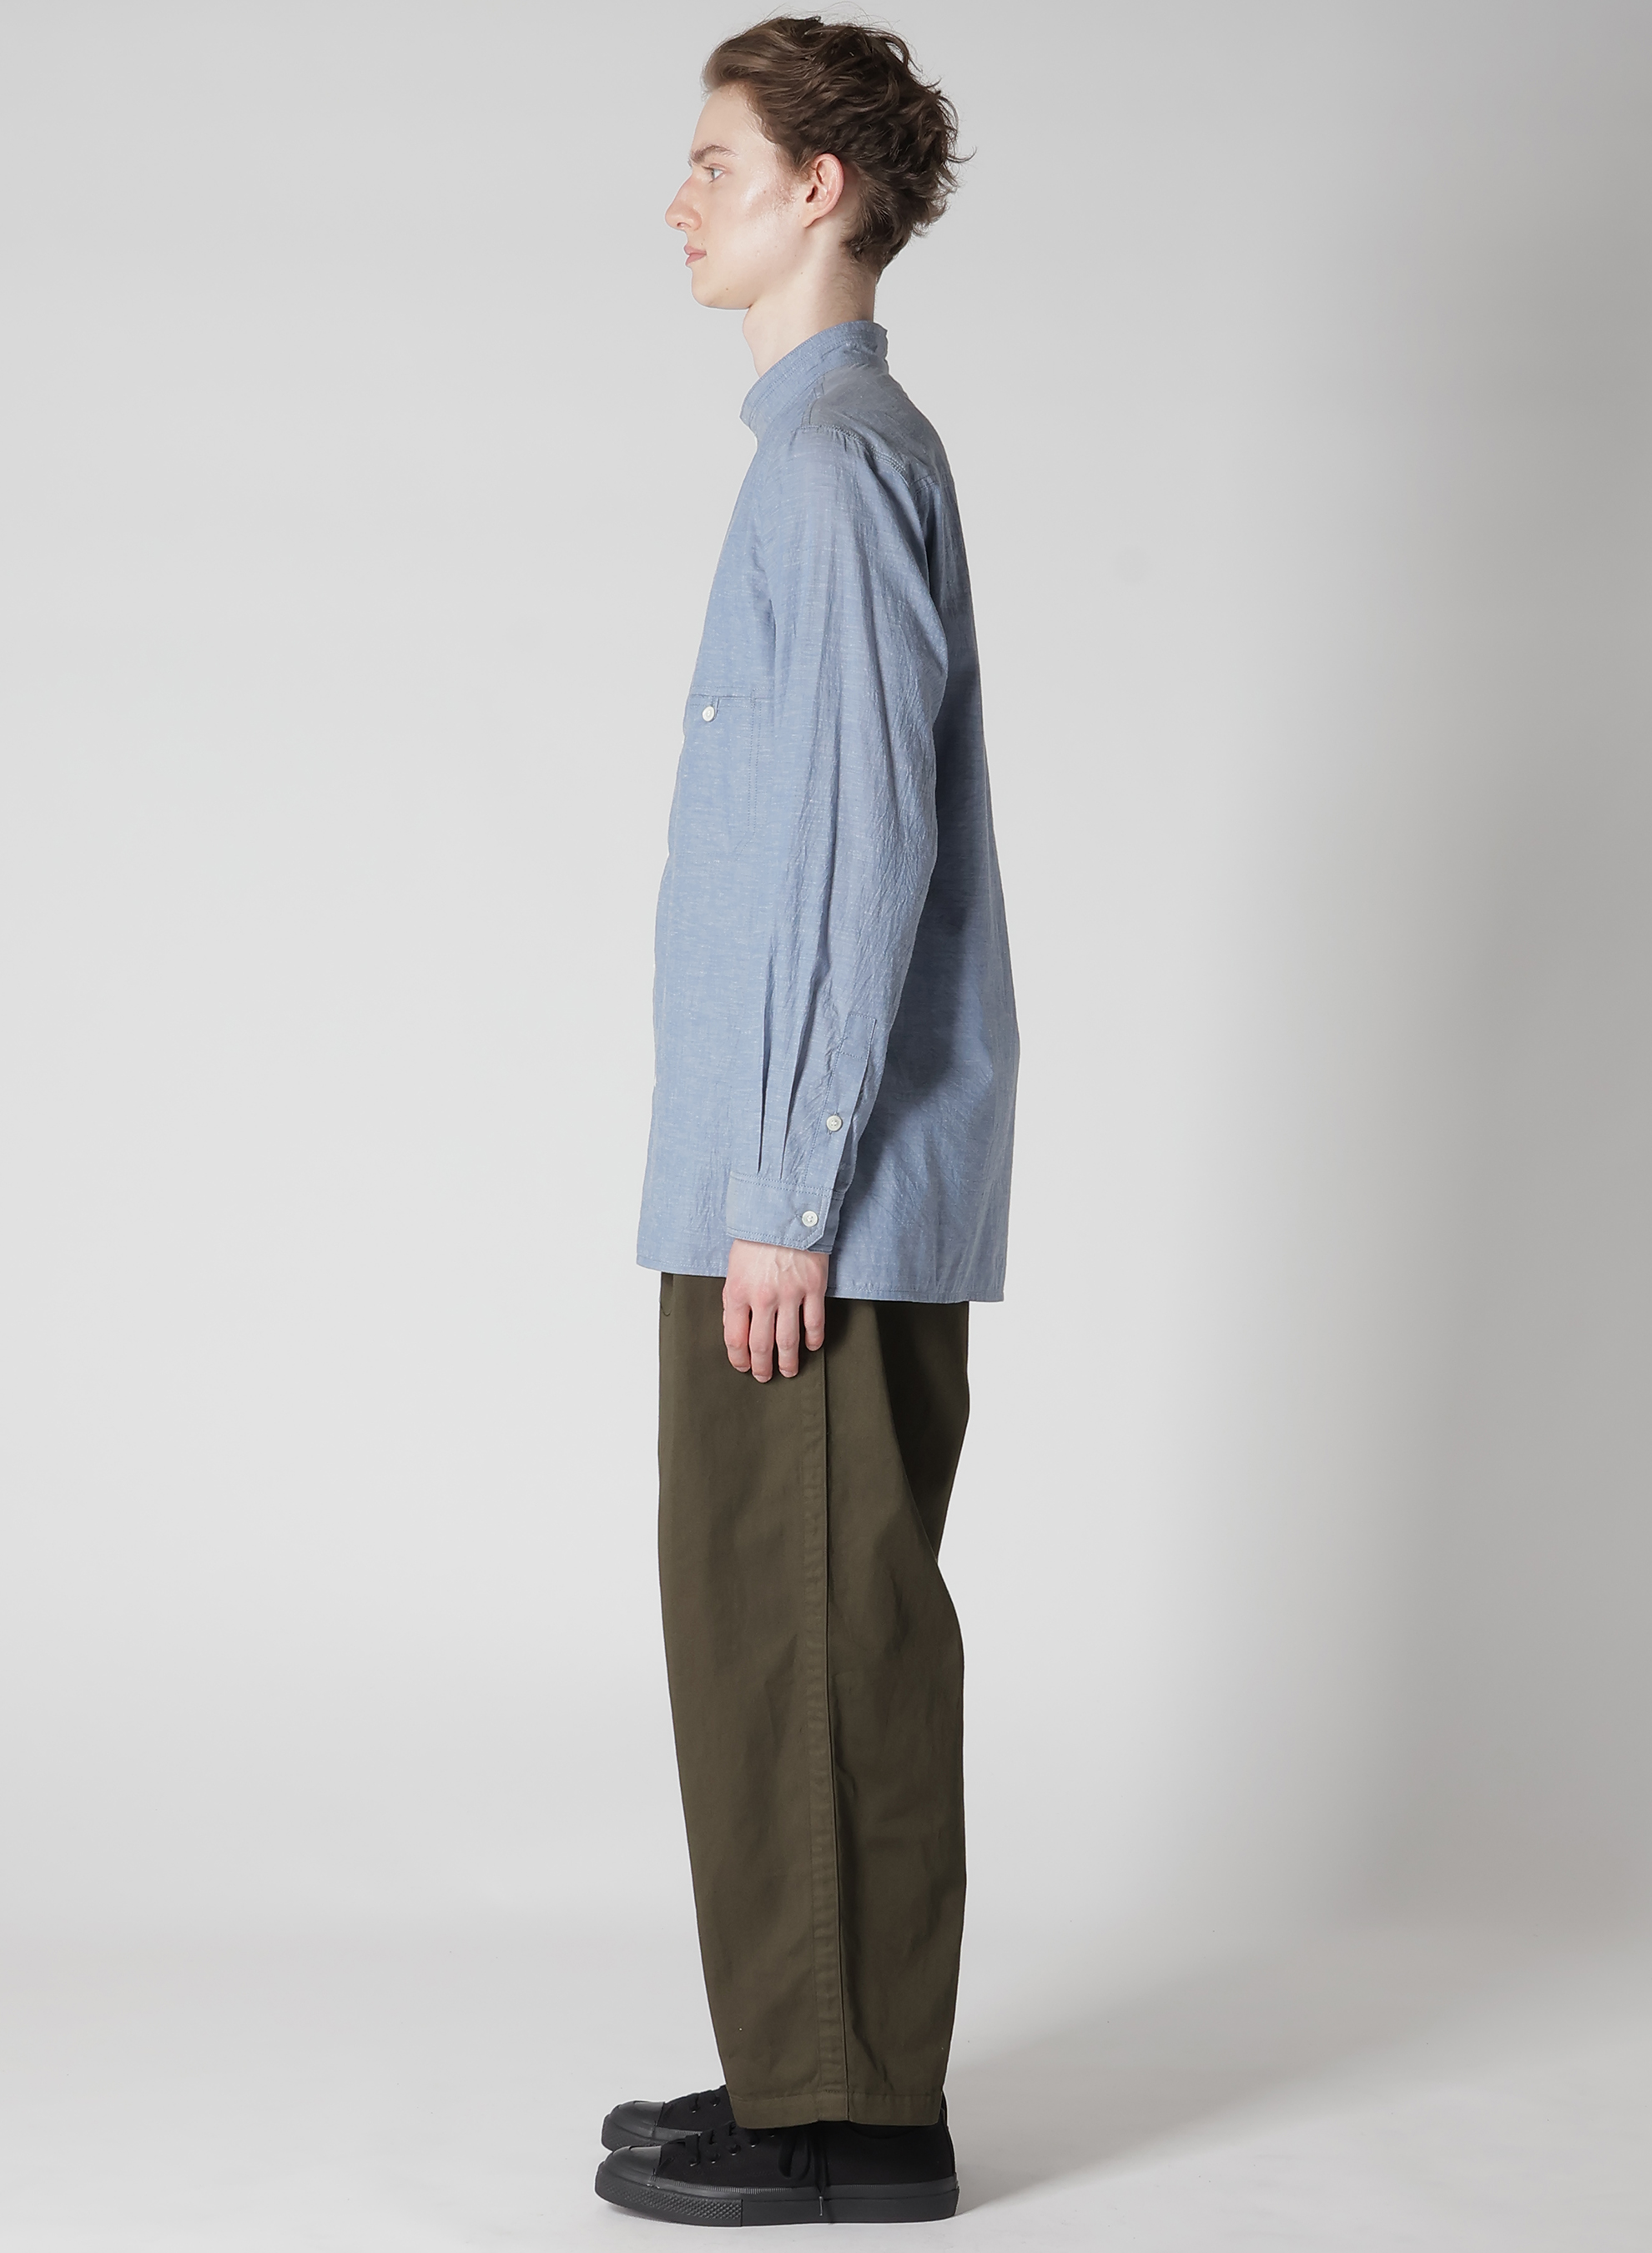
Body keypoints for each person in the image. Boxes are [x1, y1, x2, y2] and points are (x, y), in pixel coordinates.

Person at [596, 15, 1018, 2228]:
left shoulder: (835, 466)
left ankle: (850, 2118)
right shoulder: (818, 456)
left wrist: (789, 1188)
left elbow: (860, 854)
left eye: (714, 160)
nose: (679, 199)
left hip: (810, 1201)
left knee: (814, 1637)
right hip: (784, 1186)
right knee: (762, 1629)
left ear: (817, 189)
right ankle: (800, 2057)